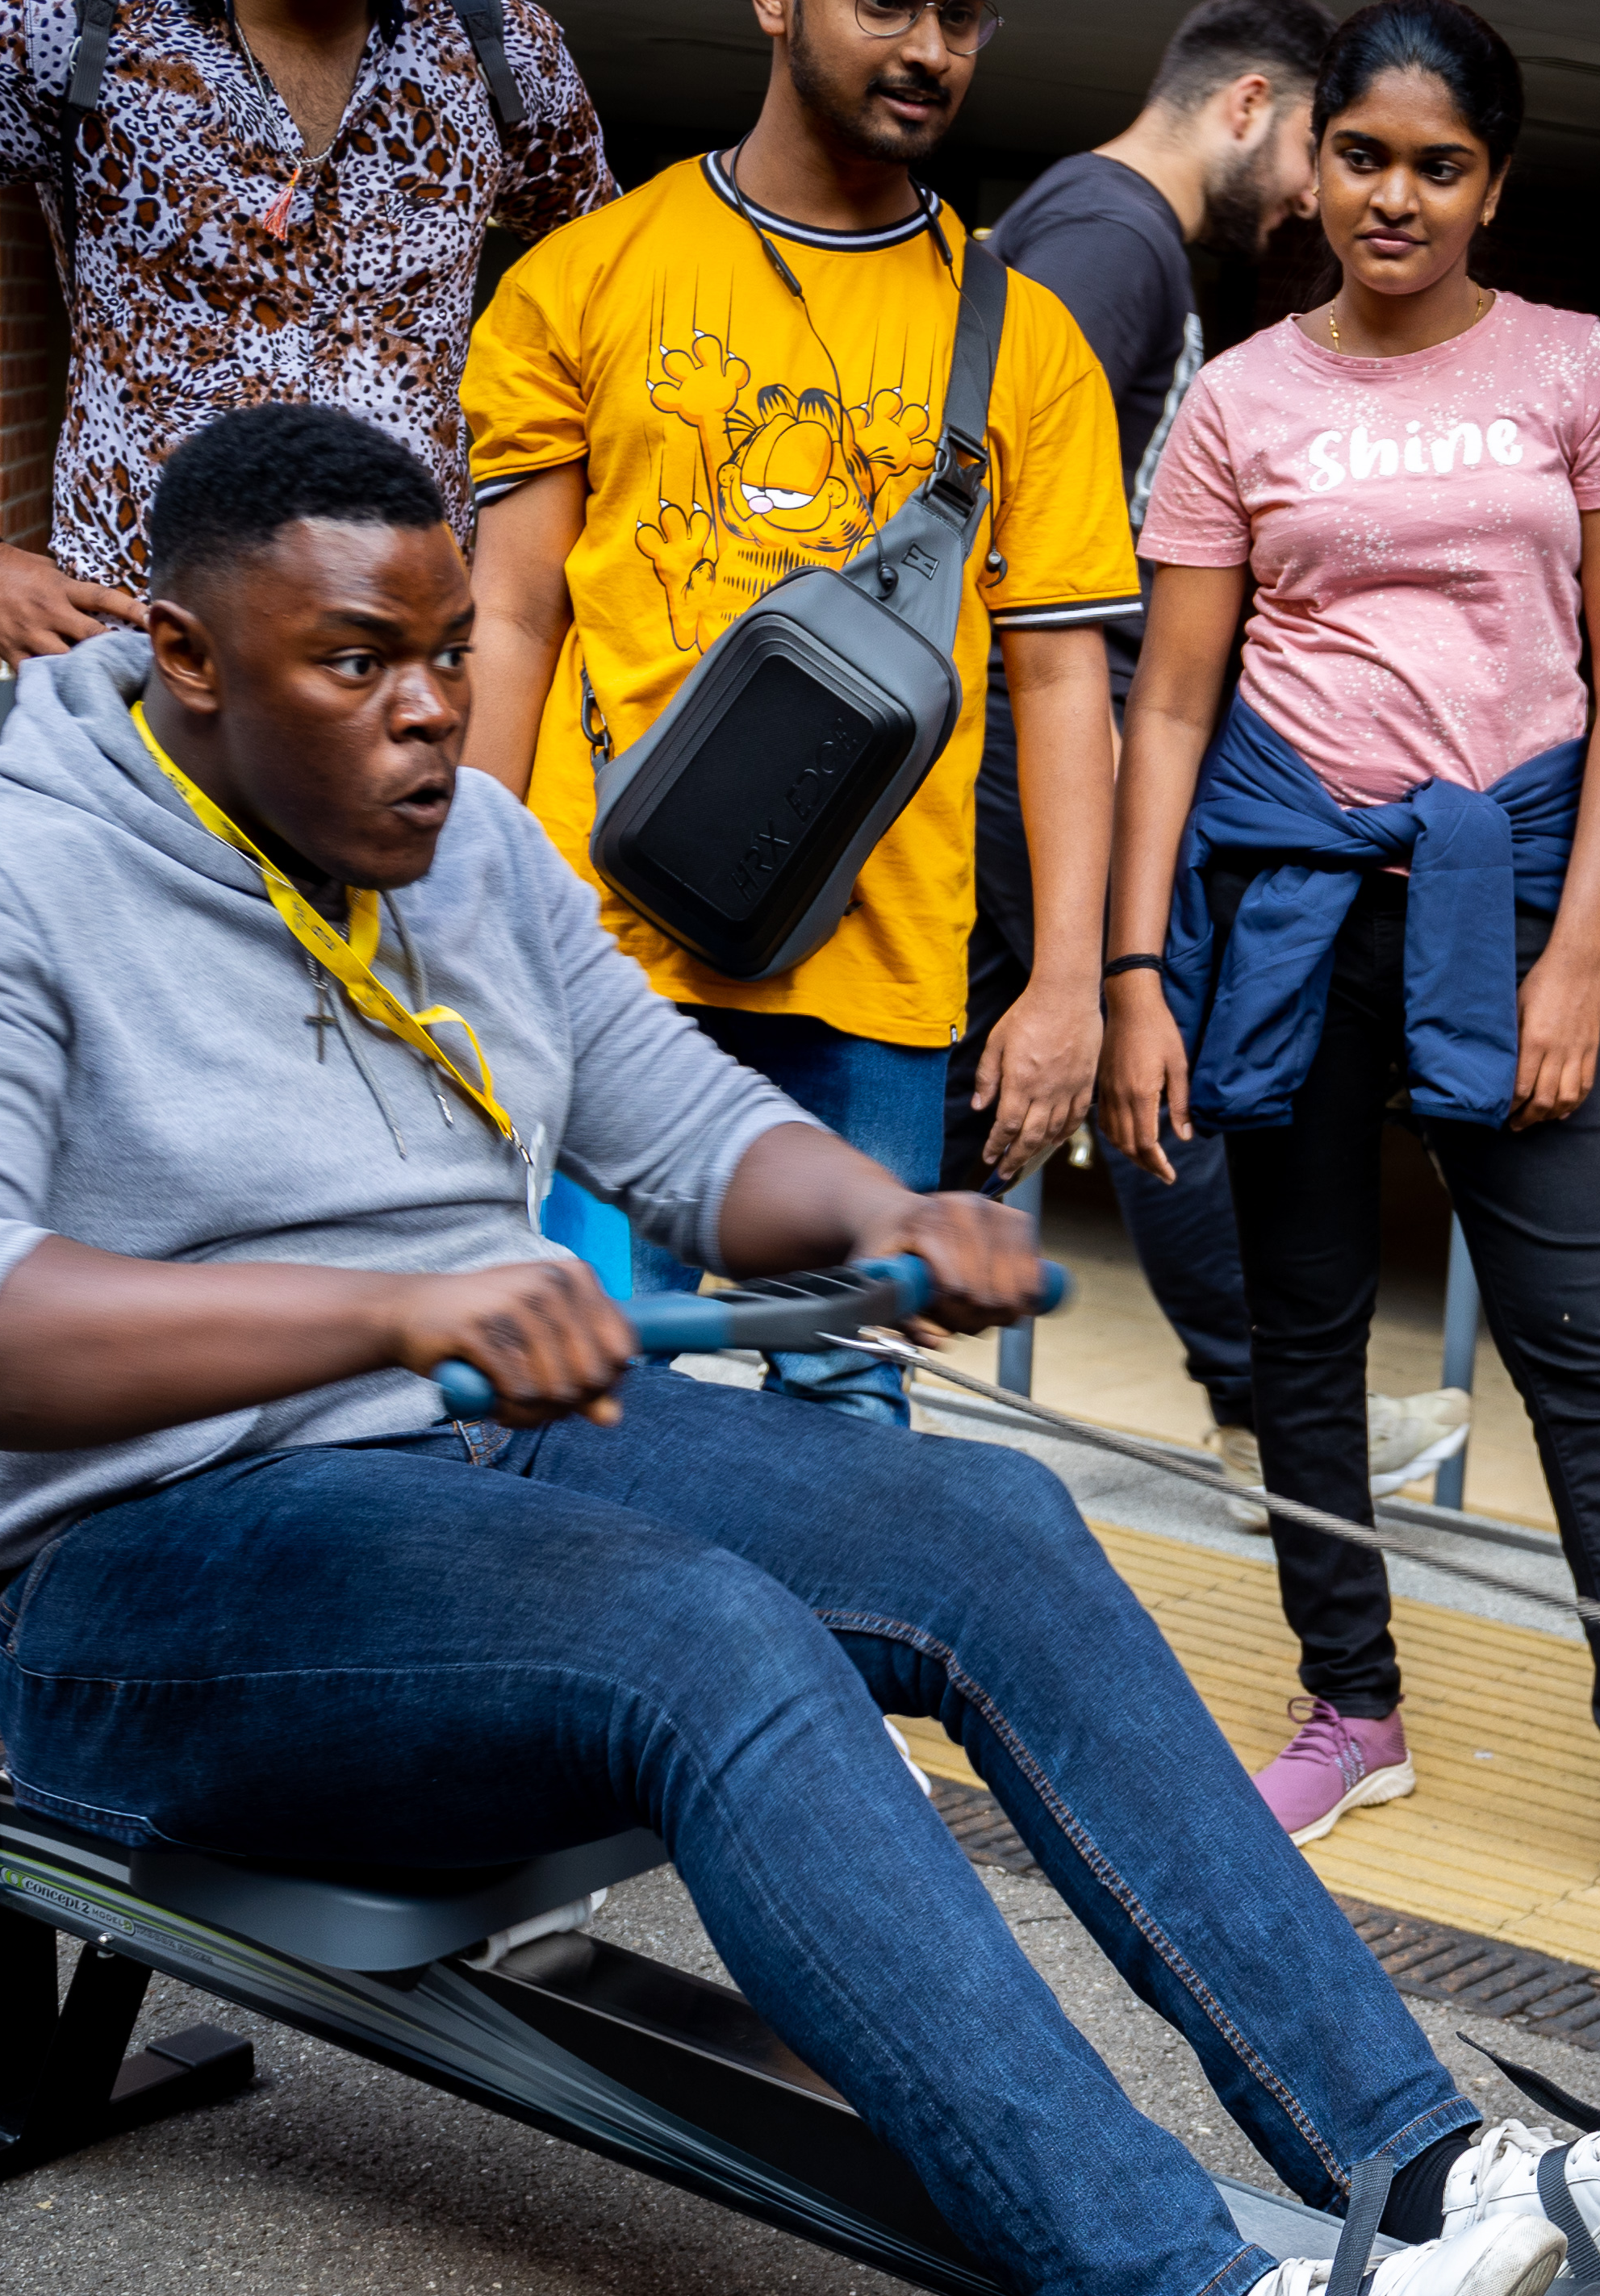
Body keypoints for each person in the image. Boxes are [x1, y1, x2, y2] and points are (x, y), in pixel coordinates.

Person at [0, 402, 1600, 2296]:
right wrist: (388, 1318)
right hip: (143, 1589)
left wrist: (872, 1215)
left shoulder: (461, 842)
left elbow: (681, 1123)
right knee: (695, 1640)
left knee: (986, 1532)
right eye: (353, 663)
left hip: (470, 1478)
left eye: (447, 649)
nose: (430, 711)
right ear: (183, 658)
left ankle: (1425, 2163)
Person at [1102, 0, 1600, 1946]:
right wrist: (1130, 968)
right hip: (1287, 902)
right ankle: (1348, 1704)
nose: (1395, 195)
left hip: (1509, 899)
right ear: (1314, 163)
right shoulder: (1239, 401)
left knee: (1581, 1359)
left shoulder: (1576, 373)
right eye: (1363, 155)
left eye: (1439, 166)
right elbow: (1169, 706)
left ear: (1491, 186)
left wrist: (1574, 952)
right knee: (1300, 1332)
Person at [458, 0, 1135, 1421]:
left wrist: (1066, 983)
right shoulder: (586, 278)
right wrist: (470, 903)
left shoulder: (1027, 336)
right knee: (581, 1395)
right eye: (887, 2)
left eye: (964, 16)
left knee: (846, 1416)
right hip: (599, 959)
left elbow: (1066, 678)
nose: (930, 48)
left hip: (877, 977)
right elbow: (511, 614)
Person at [952, 0, 1470, 1523]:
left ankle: (855, 1278)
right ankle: (1266, 1421)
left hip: (1048, 741)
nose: (1324, 198)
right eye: (1324, 150)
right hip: (1038, 743)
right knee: (1132, 1039)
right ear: (1250, 106)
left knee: (1053, 1062)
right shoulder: (1114, 244)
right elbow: (974, 505)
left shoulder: (1091, 225)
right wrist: (1080, 751)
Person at [0, 0, 613, 659]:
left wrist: (520, 603)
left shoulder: (504, 45)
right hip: (139, 668)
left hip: (402, 679)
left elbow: (605, 318)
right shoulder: (60, 24)